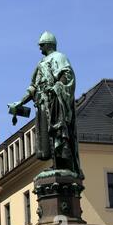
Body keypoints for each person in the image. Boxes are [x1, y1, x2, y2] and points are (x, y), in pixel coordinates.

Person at [9, 31, 82, 177]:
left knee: (59, 132)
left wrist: (56, 88)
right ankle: (56, 164)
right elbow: (33, 87)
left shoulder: (59, 57)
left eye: (41, 45)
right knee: (48, 135)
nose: (39, 49)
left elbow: (67, 75)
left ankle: (64, 165)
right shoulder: (41, 63)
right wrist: (20, 102)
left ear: (49, 44)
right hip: (43, 103)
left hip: (55, 101)